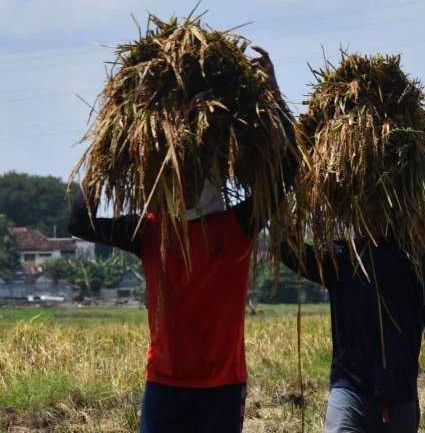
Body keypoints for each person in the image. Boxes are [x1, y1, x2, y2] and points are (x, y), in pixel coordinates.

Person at [69, 47, 294, 433]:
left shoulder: (238, 223)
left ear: (211, 172)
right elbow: (79, 221)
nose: (187, 180)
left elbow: (288, 167)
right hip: (164, 384)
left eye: (195, 170)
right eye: (177, 171)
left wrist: (275, 98)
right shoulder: (150, 229)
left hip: (223, 385)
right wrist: (106, 147)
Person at [280, 215, 425, 432]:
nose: (370, 213)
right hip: (349, 387)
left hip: (400, 389)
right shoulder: (341, 257)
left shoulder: (414, 257)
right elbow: (292, 252)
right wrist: (281, 217)